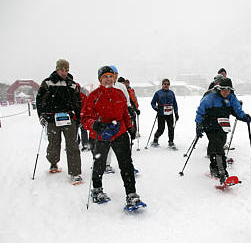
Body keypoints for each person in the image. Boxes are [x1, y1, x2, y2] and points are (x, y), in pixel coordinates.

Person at [81, 66, 141, 208]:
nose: (108, 79)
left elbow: (125, 114)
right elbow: (84, 119)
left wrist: (130, 128)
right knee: (99, 164)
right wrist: (95, 124)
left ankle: (131, 195)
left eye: (110, 76)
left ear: (114, 78)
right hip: (101, 135)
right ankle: (97, 189)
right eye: (105, 77)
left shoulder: (120, 93)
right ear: (100, 80)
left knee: (126, 164)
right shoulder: (93, 96)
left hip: (119, 133)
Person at [195, 77, 251, 183]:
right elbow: (200, 111)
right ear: (219, 89)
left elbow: (237, 110)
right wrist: (198, 125)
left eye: (228, 90)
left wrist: (244, 117)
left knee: (220, 144)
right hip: (210, 125)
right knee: (218, 147)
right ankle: (222, 172)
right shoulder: (210, 98)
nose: (225, 92)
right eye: (223, 90)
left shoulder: (231, 98)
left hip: (223, 125)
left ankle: (213, 167)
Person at [36, 59, 82, 184]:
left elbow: (78, 102)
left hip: (69, 119)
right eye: (62, 69)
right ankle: (53, 162)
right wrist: (41, 116)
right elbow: (39, 101)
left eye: (67, 70)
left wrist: (79, 117)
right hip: (52, 119)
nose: (64, 72)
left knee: (72, 145)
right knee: (54, 144)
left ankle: (75, 173)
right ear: (57, 69)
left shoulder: (72, 84)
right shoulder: (47, 82)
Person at [150, 79, 179, 148]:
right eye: (165, 84)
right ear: (162, 85)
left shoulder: (171, 93)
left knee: (171, 129)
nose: (166, 85)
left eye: (167, 84)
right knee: (161, 129)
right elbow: (152, 103)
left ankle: (171, 142)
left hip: (170, 114)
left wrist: (176, 113)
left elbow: (174, 103)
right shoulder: (158, 93)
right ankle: (155, 139)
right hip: (161, 114)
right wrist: (155, 108)